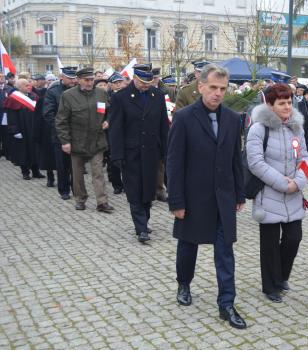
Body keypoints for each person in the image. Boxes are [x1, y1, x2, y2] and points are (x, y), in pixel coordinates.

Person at [166, 64, 247, 329]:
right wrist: (176, 201)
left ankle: (226, 303)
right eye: (213, 88)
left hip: (223, 198)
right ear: (200, 87)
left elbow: (236, 160)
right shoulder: (184, 118)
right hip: (193, 197)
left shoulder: (234, 119)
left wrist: (239, 194)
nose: (218, 94)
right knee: (188, 246)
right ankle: (183, 284)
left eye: (223, 89)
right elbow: (174, 162)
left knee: (225, 253)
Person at [246, 84, 308, 303]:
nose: (287, 107)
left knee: (294, 238)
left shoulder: (296, 128)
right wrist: (283, 183)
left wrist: (298, 182)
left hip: (293, 194)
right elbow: (255, 163)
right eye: (282, 103)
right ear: (270, 105)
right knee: (270, 244)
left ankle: (281, 275)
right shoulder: (258, 129)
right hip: (269, 194)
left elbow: (304, 159)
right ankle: (270, 285)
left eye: (289, 102)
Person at [109, 64, 169, 242]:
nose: (145, 85)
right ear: (134, 79)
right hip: (131, 153)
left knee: (148, 189)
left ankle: (144, 221)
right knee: (135, 190)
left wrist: (166, 150)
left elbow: (163, 126)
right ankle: (141, 227)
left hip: (151, 151)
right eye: (143, 82)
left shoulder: (157, 96)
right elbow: (115, 129)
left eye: (149, 82)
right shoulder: (121, 98)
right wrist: (117, 154)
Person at [55, 67, 114, 213]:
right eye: (86, 80)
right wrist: (65, 141)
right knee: (77, 174)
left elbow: (110, 111)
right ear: (78, 80)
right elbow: (61, 120)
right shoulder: (68, 96)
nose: (89, 83)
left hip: (97, 140)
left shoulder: (101, 93)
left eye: (91, 80)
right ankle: (80, 199)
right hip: (77, 141)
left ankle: (102, 202)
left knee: (98, 173)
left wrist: (108, 120)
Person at [43, 67, 78, 200]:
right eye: (70, 78)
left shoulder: (78, 90)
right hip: (60, 134)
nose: (73, 80)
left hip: (78, 133)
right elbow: (48, 114)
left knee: (76, 164)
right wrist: (61, 128)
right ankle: (64, 190)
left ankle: (77, 189)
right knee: (62, 164)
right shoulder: (53, 92)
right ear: (62, 77)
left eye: (74, 77)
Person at [4, 79, 43, 180]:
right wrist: (15, 130)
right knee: (23, 151)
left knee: (35, 150)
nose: (29, 87)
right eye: (26, 85)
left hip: (33, 128)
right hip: (22, 129)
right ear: (19, 87)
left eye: (29, 85)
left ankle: (36, 171)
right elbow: (11, 117)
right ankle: (25, 172)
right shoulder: (13, 98)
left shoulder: (33, 96)